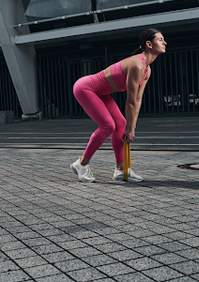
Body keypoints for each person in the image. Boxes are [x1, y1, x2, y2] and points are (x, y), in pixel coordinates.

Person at [70, 28, 167, 182]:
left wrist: (131, 128)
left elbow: (138, 99)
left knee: (120, 123)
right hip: (85, 88)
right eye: (160, 39)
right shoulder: (137, 65)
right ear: (149, 44)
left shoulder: (147, 70)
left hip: (99, 92)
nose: (165, 42)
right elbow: (130, 101)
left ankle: (121, 169)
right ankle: (81, 164)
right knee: (108, 126)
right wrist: (131, 129)